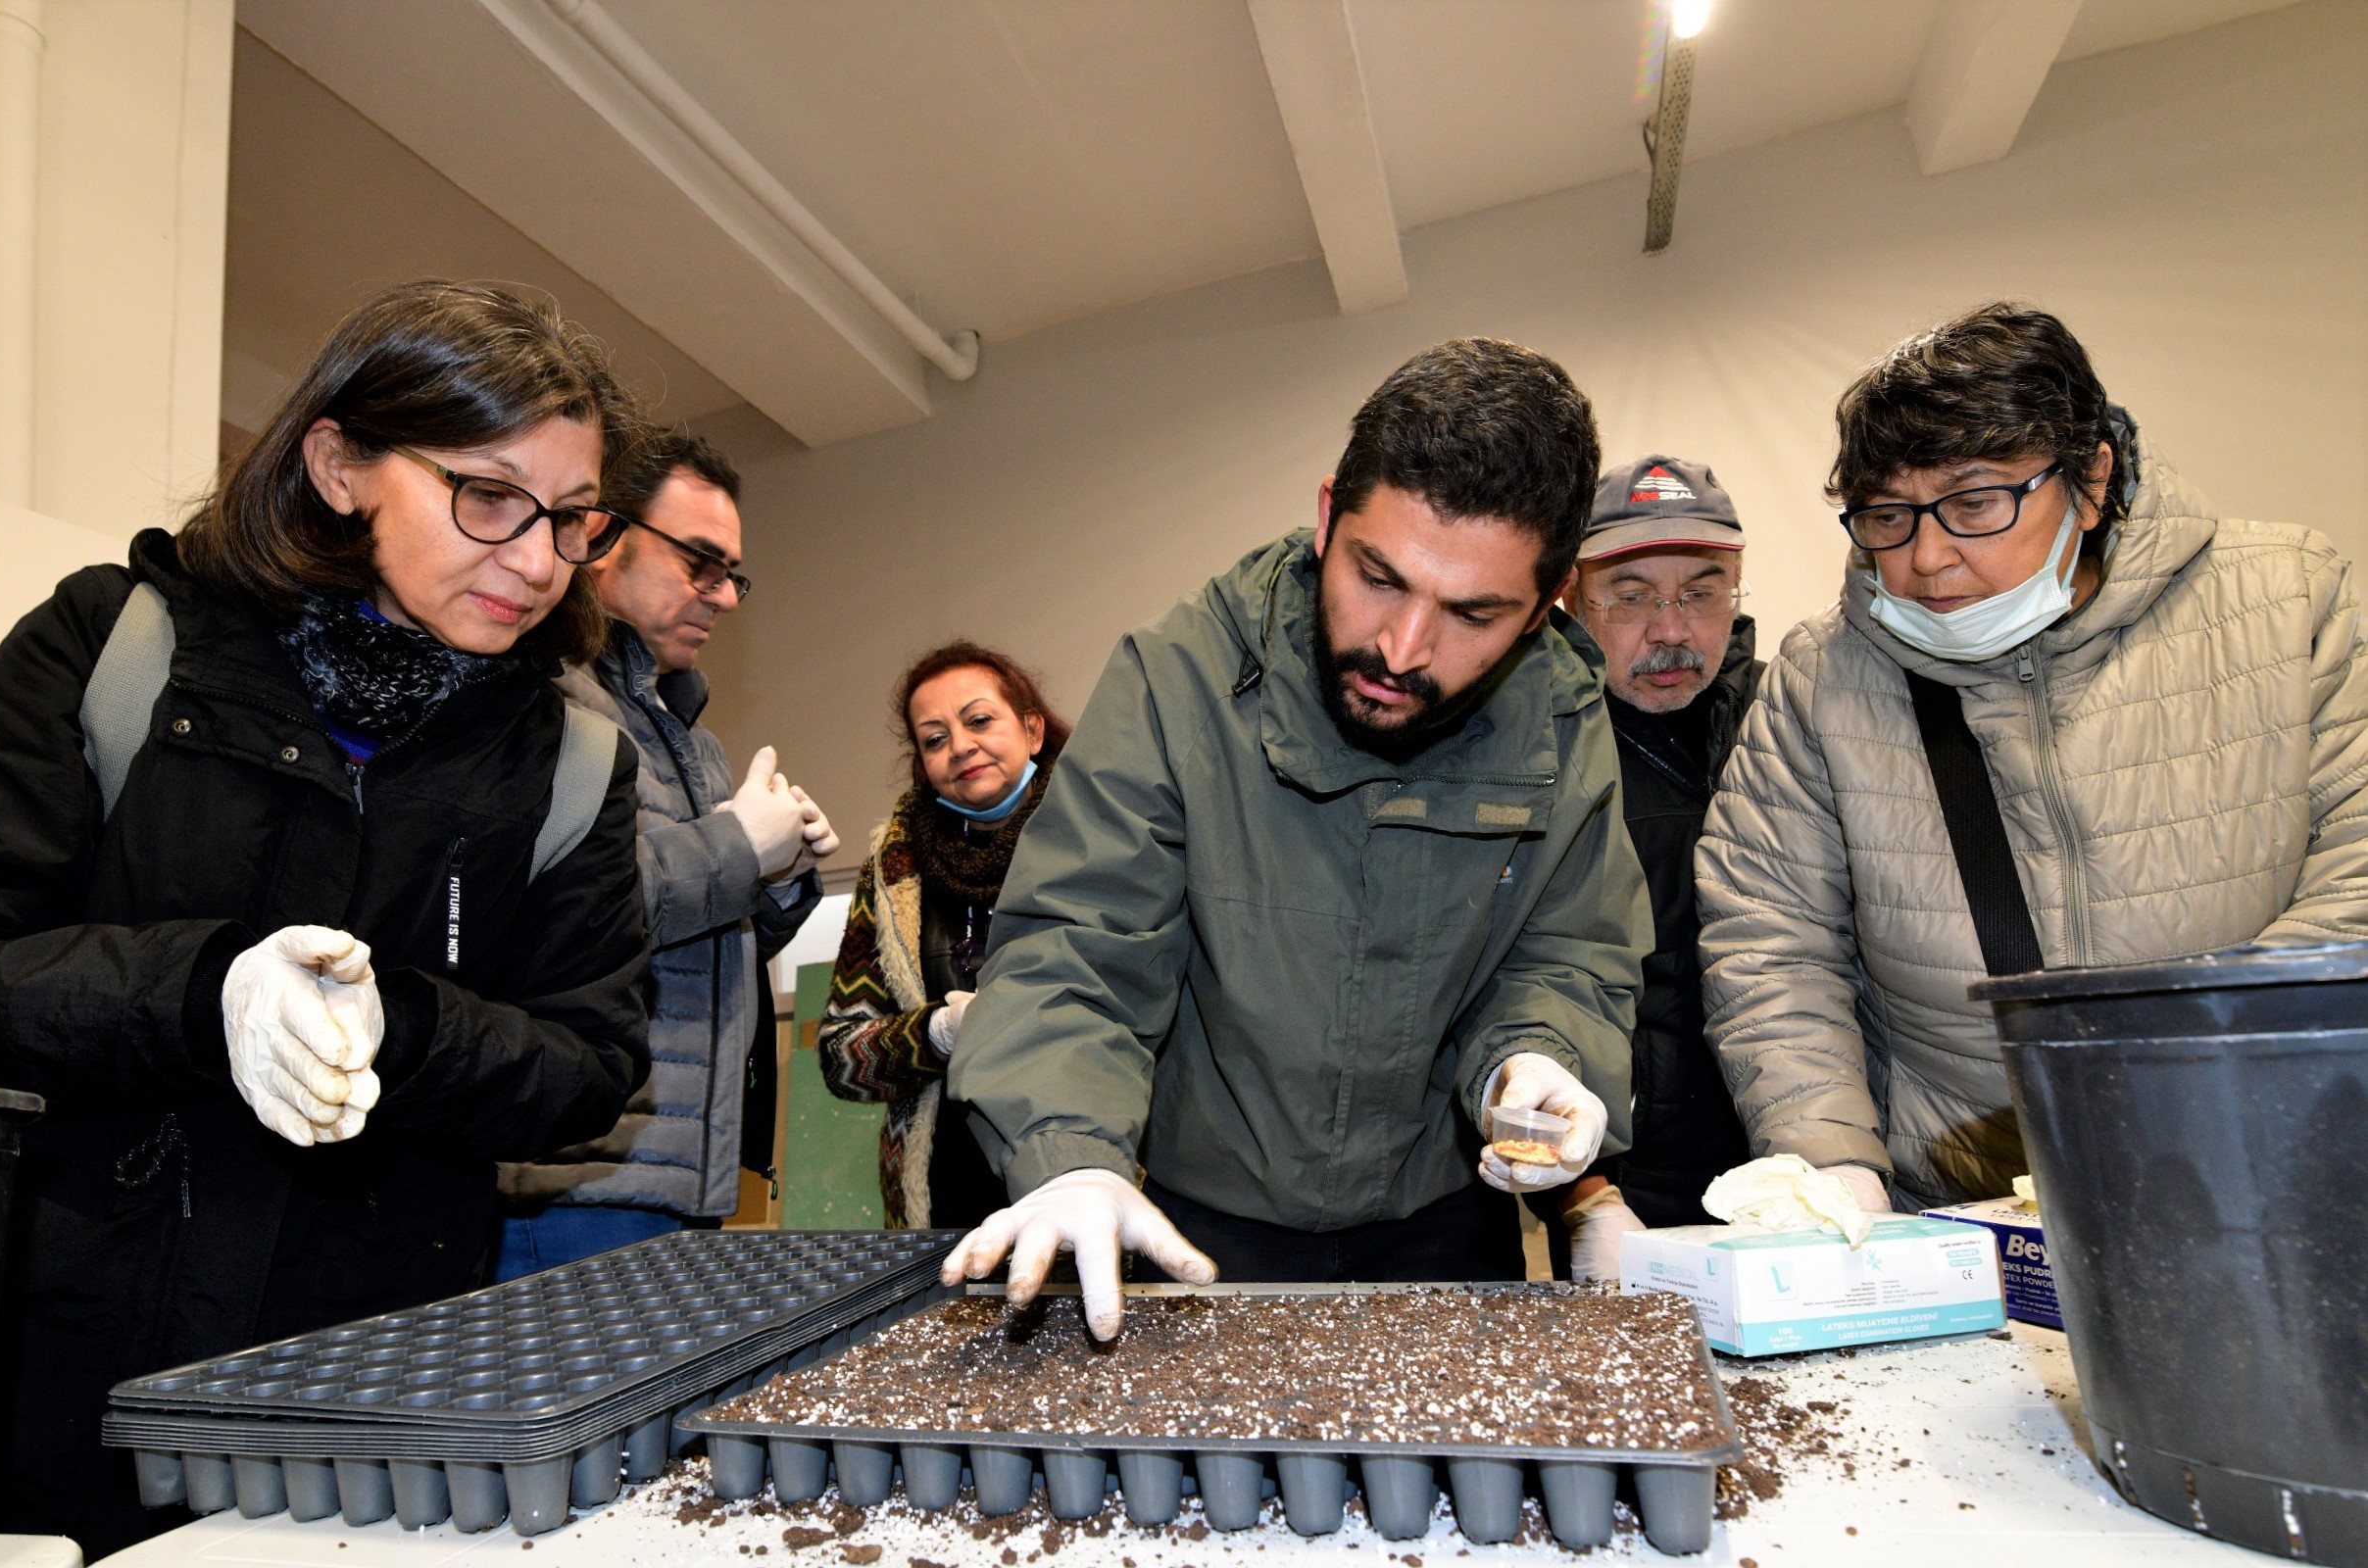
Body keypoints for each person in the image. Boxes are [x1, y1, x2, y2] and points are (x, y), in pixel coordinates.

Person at [0, 281, 655, 1555]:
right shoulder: (111, 647)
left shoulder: (567, 764)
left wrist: (392, 1023)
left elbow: (585, 1066)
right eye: (488, 497)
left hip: (363, 1410)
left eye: (570, 519)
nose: (534, 559)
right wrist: (201, 990)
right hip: (47, 1389)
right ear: (339, 463)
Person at [941, 338, 1652, 1337]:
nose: (1402, 650)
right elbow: (1077, 947)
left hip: (1447, 1226)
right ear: (1327, 517)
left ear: (1547, 606)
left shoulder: (1564, 715)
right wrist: (1071, 1157)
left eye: (1474, 613)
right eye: (1378, 577)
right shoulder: (1175, 675)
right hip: (1195, 1226)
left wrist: (1534, 1059)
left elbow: (1571, 952)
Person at [1698, 302, 2368, 1213]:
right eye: (1888, 516)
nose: (1927, 558)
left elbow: (2355, 871)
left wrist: (2201, 1094)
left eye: (1975, 503)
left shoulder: (2288, 598)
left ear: (2092, 479)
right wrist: (1830, 1165)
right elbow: (1771, 936)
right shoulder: (1825, 674)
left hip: (2270, 1153)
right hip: (1961, 1191)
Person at [494, 430, 837, 1275]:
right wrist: (735, 848)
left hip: (682, 1181)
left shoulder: (692, 740)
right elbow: (560, 914)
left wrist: (780, 881)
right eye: (700, 563)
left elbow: (696, 940)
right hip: (577, 1185)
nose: (722, 596)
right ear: (603, 538)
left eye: (733, 575)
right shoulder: (537, 700)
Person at [1544, 457, 1760, 1281]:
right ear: (1571, 598)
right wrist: (1582, 1197)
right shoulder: (1538, 758)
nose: (1670, 630)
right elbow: (1509, 997)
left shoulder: (1790, 730)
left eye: (1701, 592)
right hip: (1629, 1194)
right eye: (1630, 596)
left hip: (1801, 1174)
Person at [817, 642, 1071, 1228]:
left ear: (1032, 730)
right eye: (934, 739)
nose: (960, 746)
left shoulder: (1107, 834)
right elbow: (840, 1059)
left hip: (1089, 1186)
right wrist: (936, 1034)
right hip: (944, 1211)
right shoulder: (892, 869)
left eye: (980, 720)